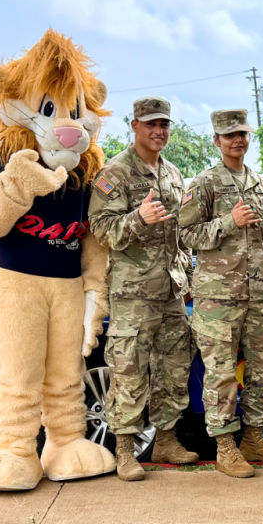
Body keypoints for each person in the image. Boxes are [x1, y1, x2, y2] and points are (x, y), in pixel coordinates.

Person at [89, 97, 199, 482]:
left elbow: (179, 233)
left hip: (170, 291)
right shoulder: (115, 173)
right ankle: (124, 450)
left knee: (173, 366)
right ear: (134, 125)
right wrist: (137, 218)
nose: (159, 131)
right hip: (133, 293)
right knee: (129, 370)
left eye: (164, 124)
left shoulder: (172, 173)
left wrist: (185, 273)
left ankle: (167, 440)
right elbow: (101, 228)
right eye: (151, 124)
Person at [177, 109, 263, 478]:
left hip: (259, 296)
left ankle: (254, 438)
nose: (237, 140)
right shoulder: (205, 183)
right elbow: (185, 235)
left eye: (242, 134)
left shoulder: (260, 185)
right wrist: (229, 222)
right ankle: (225, 446)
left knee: (262, 370)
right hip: (218, 298)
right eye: (229, 135)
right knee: (222, 373)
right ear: (216, 141)